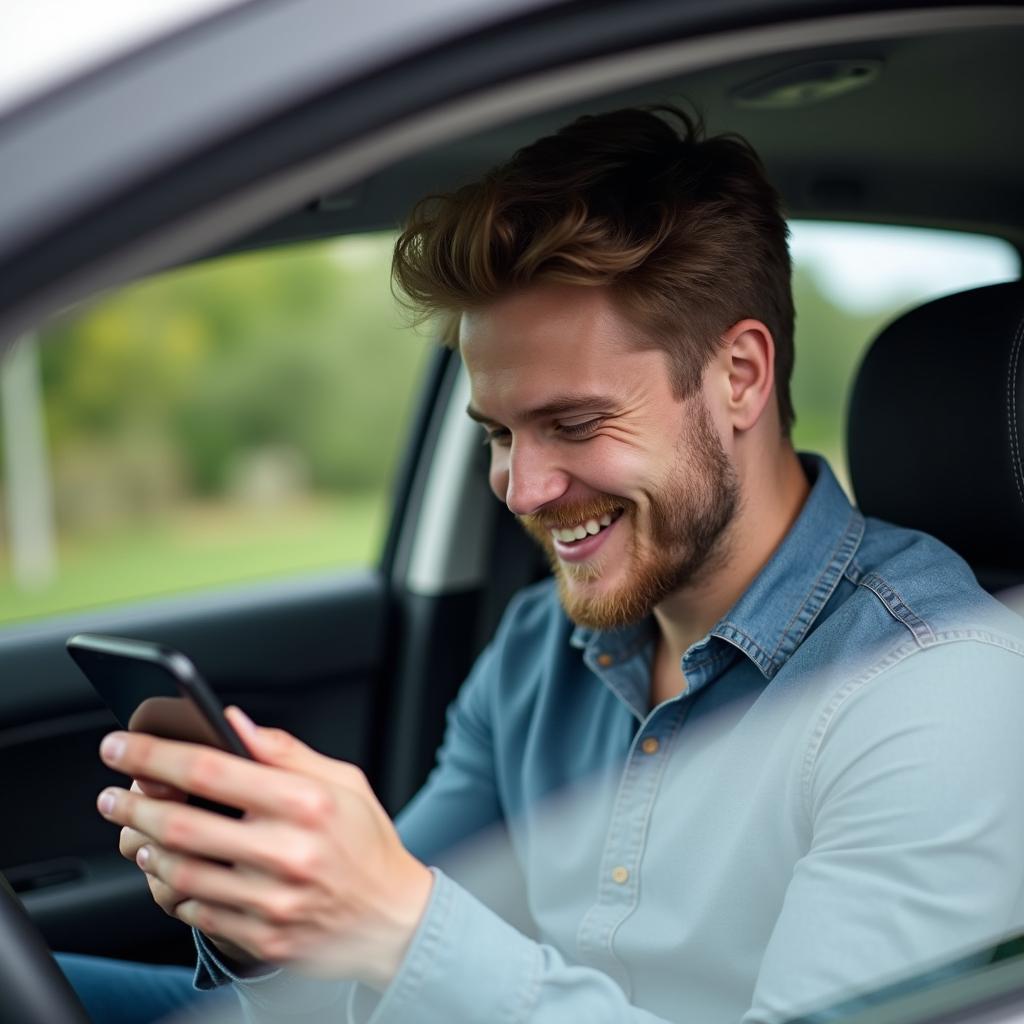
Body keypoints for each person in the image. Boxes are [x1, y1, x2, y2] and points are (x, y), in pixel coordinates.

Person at [72, 106, 1024, 1023]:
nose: (521, 490)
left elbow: (403, 944)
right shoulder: (540, 647)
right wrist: (267, 919)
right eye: (497, 433)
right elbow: (340, 998)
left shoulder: (937, 692)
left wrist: (402, 924)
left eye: (573, 424)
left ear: (739, 377)